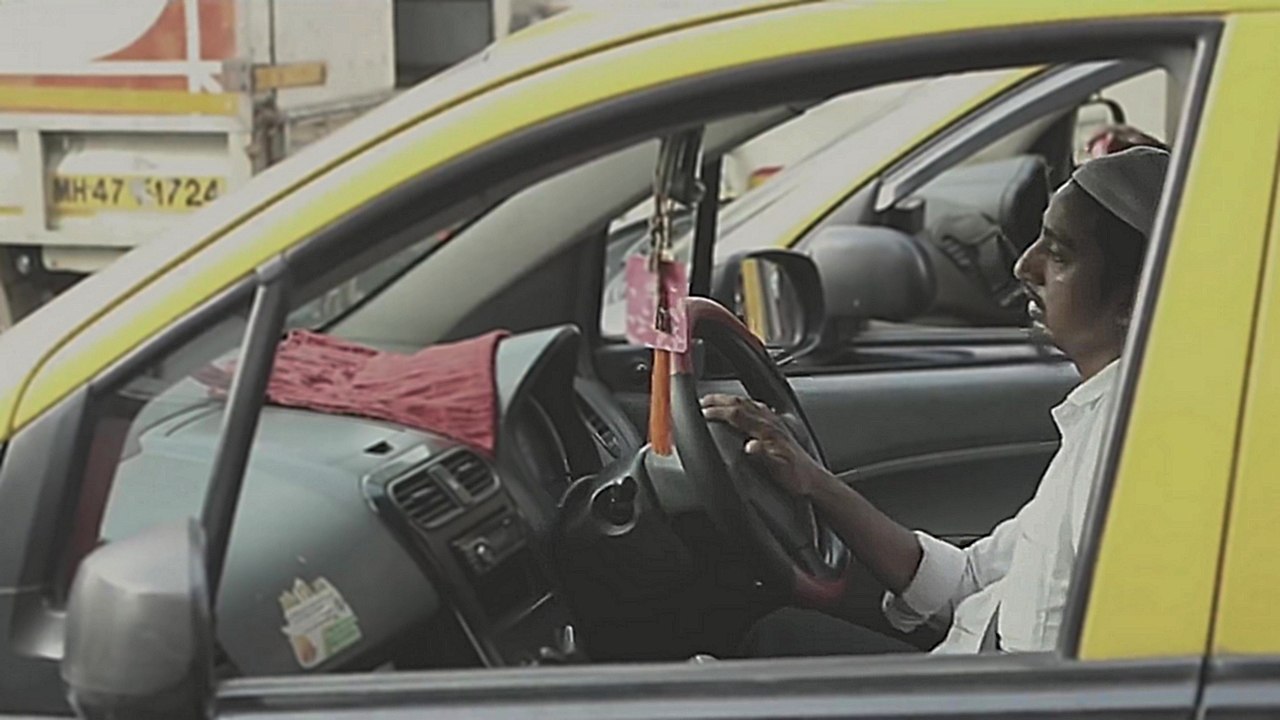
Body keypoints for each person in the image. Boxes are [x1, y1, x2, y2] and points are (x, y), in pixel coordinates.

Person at [702, 146, 1170, 656]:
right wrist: (813, 482)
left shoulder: (1136, 444)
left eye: (1058, 254)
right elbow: (965, 580)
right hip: (972, 674)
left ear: (1134, 297)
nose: (1022, 266)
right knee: (775, 634)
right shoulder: (1101, 416)